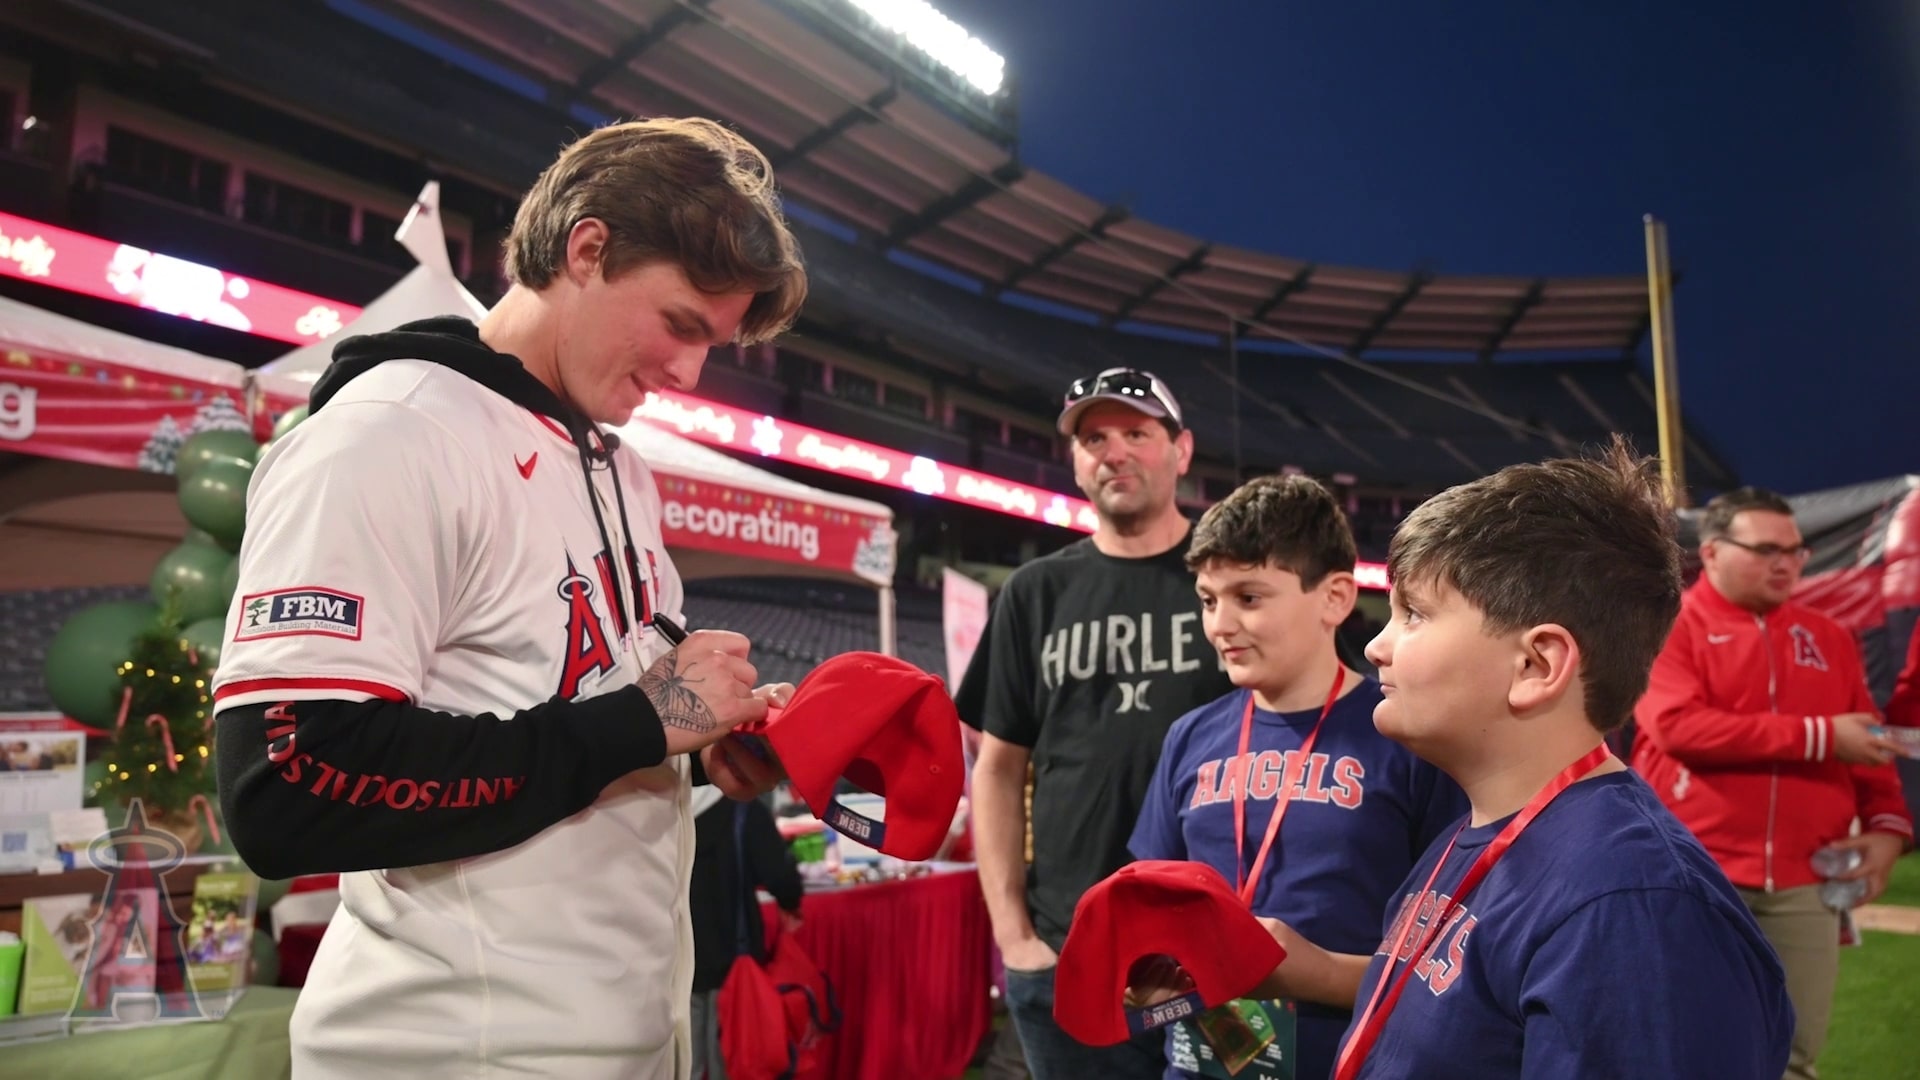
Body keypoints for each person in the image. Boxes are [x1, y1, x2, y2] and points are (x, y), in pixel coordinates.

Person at [211, 117, 808, 1079]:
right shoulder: (390, 430)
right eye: (682, 324)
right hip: (450, 1052)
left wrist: (700, 755)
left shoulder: (622, 466)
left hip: (624, 1037)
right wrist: (647, 721)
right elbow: (283, 784)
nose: (692, 372)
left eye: (716, 341)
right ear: (587, 247)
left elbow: (564, 731)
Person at [1335, 439, 1794, 1079]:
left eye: (1414, 613)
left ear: (1537, 665)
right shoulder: (1476, 834)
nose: (1378, 646)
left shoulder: (1633, 909)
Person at [1127, 475, 1466, 1080]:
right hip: (1203, 1062)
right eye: (1208, 599)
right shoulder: (1188, 738)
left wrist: (1319, 974)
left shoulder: (1408, 738)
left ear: (1335, 597)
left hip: (1353, 1060)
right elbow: (1153, 928)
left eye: (1249, 598)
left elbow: (1455, 961)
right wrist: (1148, 984)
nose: (1220, 625)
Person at [968, 368, 1236, 1080]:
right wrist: (1013, 935)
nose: (1114, 451)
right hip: (1070, 948)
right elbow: (997, 768)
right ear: (1076, 460)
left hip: (1216, 950)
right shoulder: (1035, 592)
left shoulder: (1232, 581)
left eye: (1137, 433)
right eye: (1094, 437)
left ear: (1181, 450)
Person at [1632, 486, 1912, 1080]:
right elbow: (1679, 727)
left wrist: (1888, 827)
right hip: (1690, 875)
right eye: (1765, 549)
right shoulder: (1668, 623)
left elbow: (1866, 741)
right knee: (1678, 1052)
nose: (1785, 563)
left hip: (1806, 880)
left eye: (1795, 550)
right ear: (1710, 553)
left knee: (1793, 1058)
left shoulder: (1829, 636)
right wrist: (1819, 736)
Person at [689, 791, 804, 1080]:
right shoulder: (741, 810)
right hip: (734, 961)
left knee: (680, 1064)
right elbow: (779, 873)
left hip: (675, 962)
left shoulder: (663, 808)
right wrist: (790, 901)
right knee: (733, 1061)